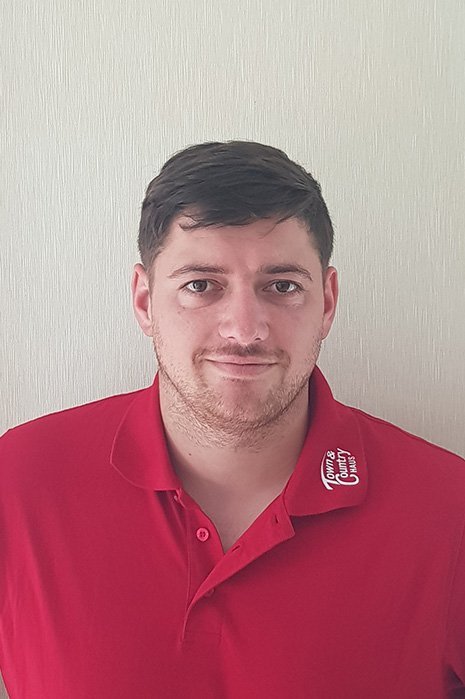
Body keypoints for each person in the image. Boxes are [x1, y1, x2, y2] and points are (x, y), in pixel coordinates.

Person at [0, 141, 464, 699]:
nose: (244, 330)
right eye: (200, 285)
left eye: (283, 286)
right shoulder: (18, 482)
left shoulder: (449, 509)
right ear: (144, 301)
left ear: (327, 302)